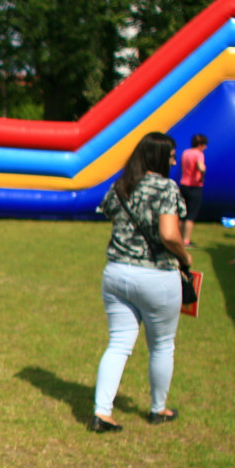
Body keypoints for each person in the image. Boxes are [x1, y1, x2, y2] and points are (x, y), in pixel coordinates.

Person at [92, 132, 190, 432]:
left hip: (116, 273)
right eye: (172, 157)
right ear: (160, 157)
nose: (174, 162)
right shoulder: (167, 188)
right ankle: (158, 409)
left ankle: (101, 412)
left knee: (119, 343)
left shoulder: (123, 184)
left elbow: (106, 210)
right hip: (156, 275)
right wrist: (185, 259)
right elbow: (169, 233)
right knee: (162, 345)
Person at [179, 133, 207, 247]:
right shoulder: (198, 154)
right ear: (200, 145)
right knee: (191, 215)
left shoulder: (186, 152)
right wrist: (202, 175)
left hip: (183, 184)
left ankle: (178, 237)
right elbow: (201, 167)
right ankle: (186, 240)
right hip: (194, 186)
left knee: (181, 214)